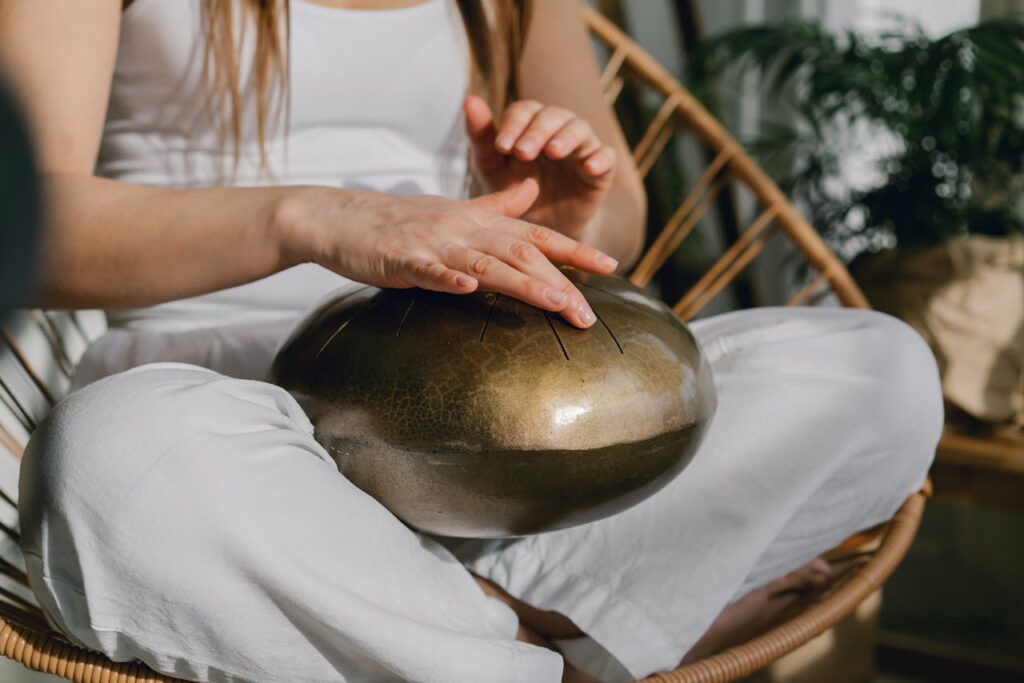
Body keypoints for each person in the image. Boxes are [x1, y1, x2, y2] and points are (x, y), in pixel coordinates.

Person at [1, 1, 943, 681]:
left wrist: (572, 205)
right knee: (113, 462)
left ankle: (463, 625)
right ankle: (566, 648)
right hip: (234, 432)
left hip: (493, 434)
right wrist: (321, 217)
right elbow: (28, 217)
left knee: (882, 369)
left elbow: (611, 217)